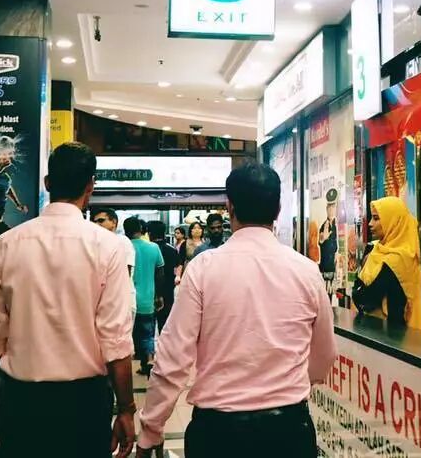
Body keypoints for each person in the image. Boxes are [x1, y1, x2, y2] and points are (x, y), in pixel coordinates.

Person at [136, 163, 336, 458]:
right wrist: (289, 382)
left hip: (218, 434)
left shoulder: (204, 268)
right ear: (278, 209)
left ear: (229, 207)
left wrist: (151, 428)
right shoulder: (306, 270)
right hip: (288, 431)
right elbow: (325, 355)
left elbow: (173, 358)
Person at [0, 142, 136, 458]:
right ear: (91, 185)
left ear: (48, 183)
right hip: (85, 403)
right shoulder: (108, 247)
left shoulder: (6, 244)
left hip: (21, 401)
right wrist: (126, 408)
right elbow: (115, 340)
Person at [352, 196, 421, 329]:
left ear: (393, 223)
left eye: (376, 218)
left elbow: (366, 298)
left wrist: (357, 290)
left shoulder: (397, 259)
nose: (370, 224)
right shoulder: (380, 250)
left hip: (394, 333)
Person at [126, 216, 164, 376]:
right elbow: (160, 273)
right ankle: (148, 359)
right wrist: (159, 295)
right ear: (141, 230)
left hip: (127, 299)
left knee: (129, 334)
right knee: (147, 334)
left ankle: (131, 363)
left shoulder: (124, 248)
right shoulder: (154, 247)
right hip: (148, 298)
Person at [93, 207, 137, 321]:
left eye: (101, 221)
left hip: (120, 301)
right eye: (94, 221)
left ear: (113, 222)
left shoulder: (122, 241)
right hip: (104, 302)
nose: (97, 224)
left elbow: (125, 274)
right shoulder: (97, 243)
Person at [146, 220, 180, 331]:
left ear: (149, 233)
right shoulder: (172, 250)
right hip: (168, 291)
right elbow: (175, 269)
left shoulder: (148, 250)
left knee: (149, 327)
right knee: (165, 326)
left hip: (150, 291)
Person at [318, 188, 339, 294]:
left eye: (333, 207)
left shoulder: (337, 225)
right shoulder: (324, 226)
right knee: (327, 296)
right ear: (326, 209)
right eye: (329, 207)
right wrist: (323, 239)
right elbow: (321, 241)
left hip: (335, 269)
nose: (331, 210)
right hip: (325, 270)